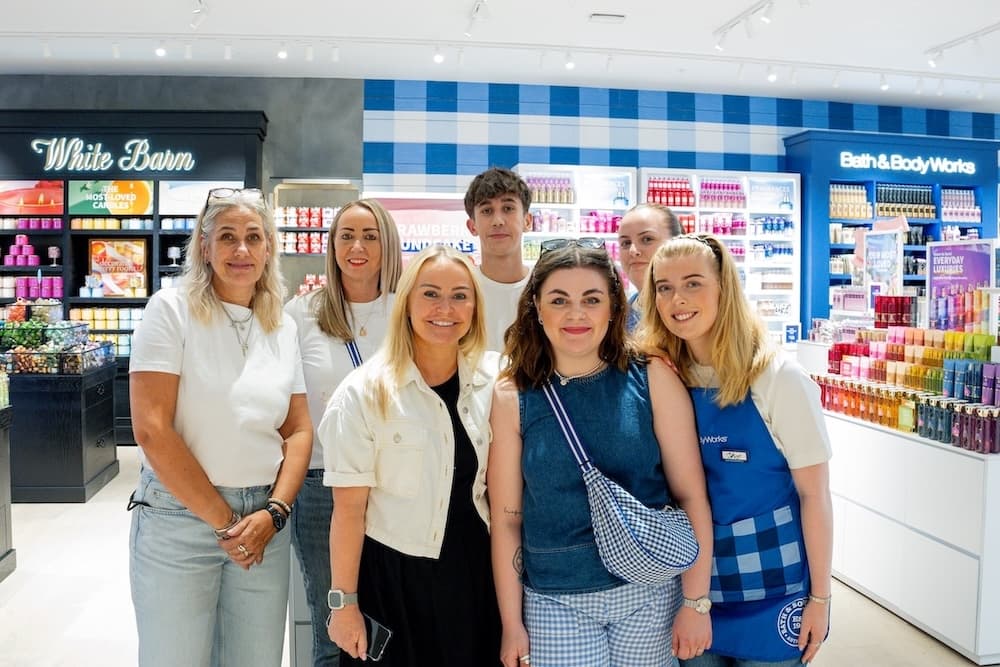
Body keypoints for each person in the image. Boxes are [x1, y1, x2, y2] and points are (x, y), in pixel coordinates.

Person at [488, 238, 714, 667]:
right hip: (555, 600)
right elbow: (506, 521)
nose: (576, 314)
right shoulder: (512, 394)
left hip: (649, 594)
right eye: (559, 300)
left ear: (613, 306)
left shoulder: (651, 378)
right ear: (537, 307)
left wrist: (695, 601)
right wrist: (511, 623)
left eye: (591, 299)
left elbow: (691, 498)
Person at [128, 187, 312, 667]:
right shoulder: (170, 310)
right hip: (179, 520)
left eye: (254, 237)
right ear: (204, 248)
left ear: (269, 247)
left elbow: (297, 430)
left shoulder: (282, 326)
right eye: (227, 237)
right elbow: (151, 429)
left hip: (263, 522)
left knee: (256, 659)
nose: (242, 250)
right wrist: (227, 523)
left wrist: (273, 513)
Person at [636, 233, 833, 667]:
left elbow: (814, 496)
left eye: (693, 283)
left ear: (724, 288)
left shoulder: (778, 378)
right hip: (692, 590)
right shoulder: (662, 377)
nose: (677, 299)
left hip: (774, 591)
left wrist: (821, 596)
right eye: (664, 287)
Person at [320, 244, 502, 665]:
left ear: (475, 306)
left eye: (460, 295)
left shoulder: (497, 380)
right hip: (392, 579)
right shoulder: (364, 392)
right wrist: (343, 604)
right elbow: (348, 512)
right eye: (430, 293)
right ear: (406, 302)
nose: (446, 307)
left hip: (475, 574)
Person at [284, 199, 403, 666]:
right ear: (331, 246)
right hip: (323, 485)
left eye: (370, 236)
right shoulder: (301, 314)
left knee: (393, 613)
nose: (357, 246)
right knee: (333, 621)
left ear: (387, 244)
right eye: (346, 235)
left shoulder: (407, 308)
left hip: (396, 483)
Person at [464, 166, 533, 351]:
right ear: (472, 226)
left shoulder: (545, 288)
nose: (498, 221)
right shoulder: (462, 290)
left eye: (508, 208)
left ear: (527, 221)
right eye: (487, 211)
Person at [617, 202, 682, 331]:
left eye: (647, 239)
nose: (633, 250)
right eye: (626, 243)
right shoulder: (619, 319)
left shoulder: (692, 312)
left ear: (677, 243)